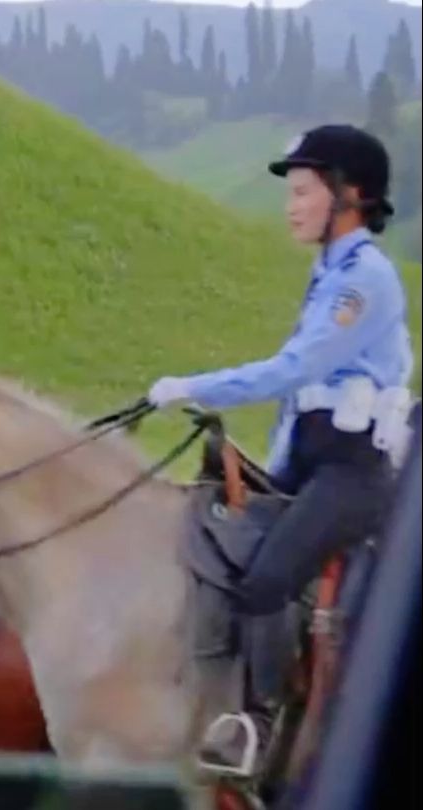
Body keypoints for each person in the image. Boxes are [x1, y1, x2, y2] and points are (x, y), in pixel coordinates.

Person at [147, 124, 414, 775]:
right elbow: (302, 403)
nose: (290, 205)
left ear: (349, 195)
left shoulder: (363, 282)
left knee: (266, 579)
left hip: (354, 474)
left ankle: (256, 726)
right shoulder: (329, 273)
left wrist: (195, 385)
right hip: (310, 460)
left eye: (302, 191)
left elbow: (293, 370)